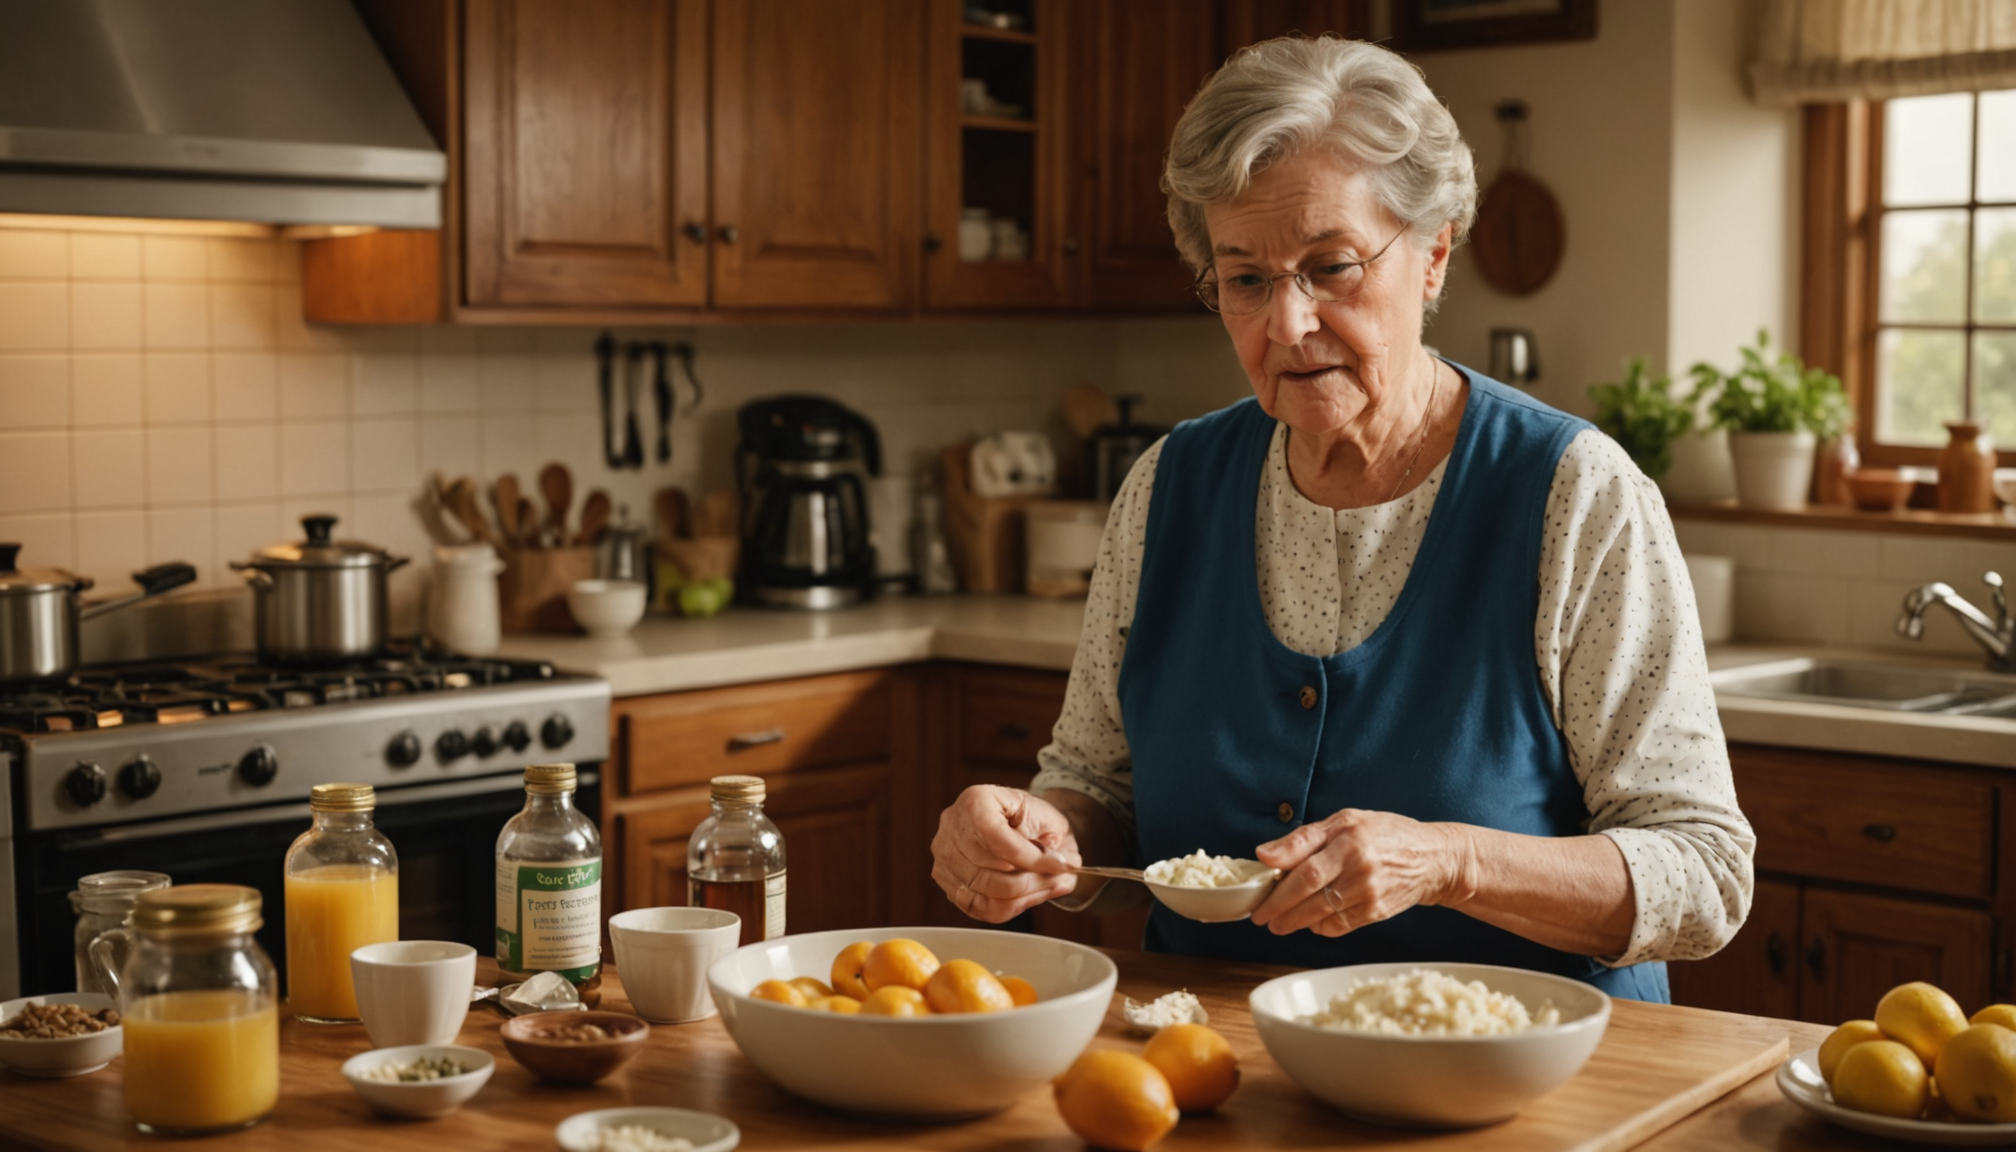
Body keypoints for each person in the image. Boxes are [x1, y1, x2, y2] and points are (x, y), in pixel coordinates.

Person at [928, 36, 1753, 1002]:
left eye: (1332, 267)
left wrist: (1448, 861)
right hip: (1214, 1071)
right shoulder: (1166, 487)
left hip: (1521, 1086)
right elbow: (1101, 790)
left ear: (1434, 253)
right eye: (1245, 279)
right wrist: (1045, 835)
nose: (1288, 323)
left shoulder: (1575, 493)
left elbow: (1703, 875)